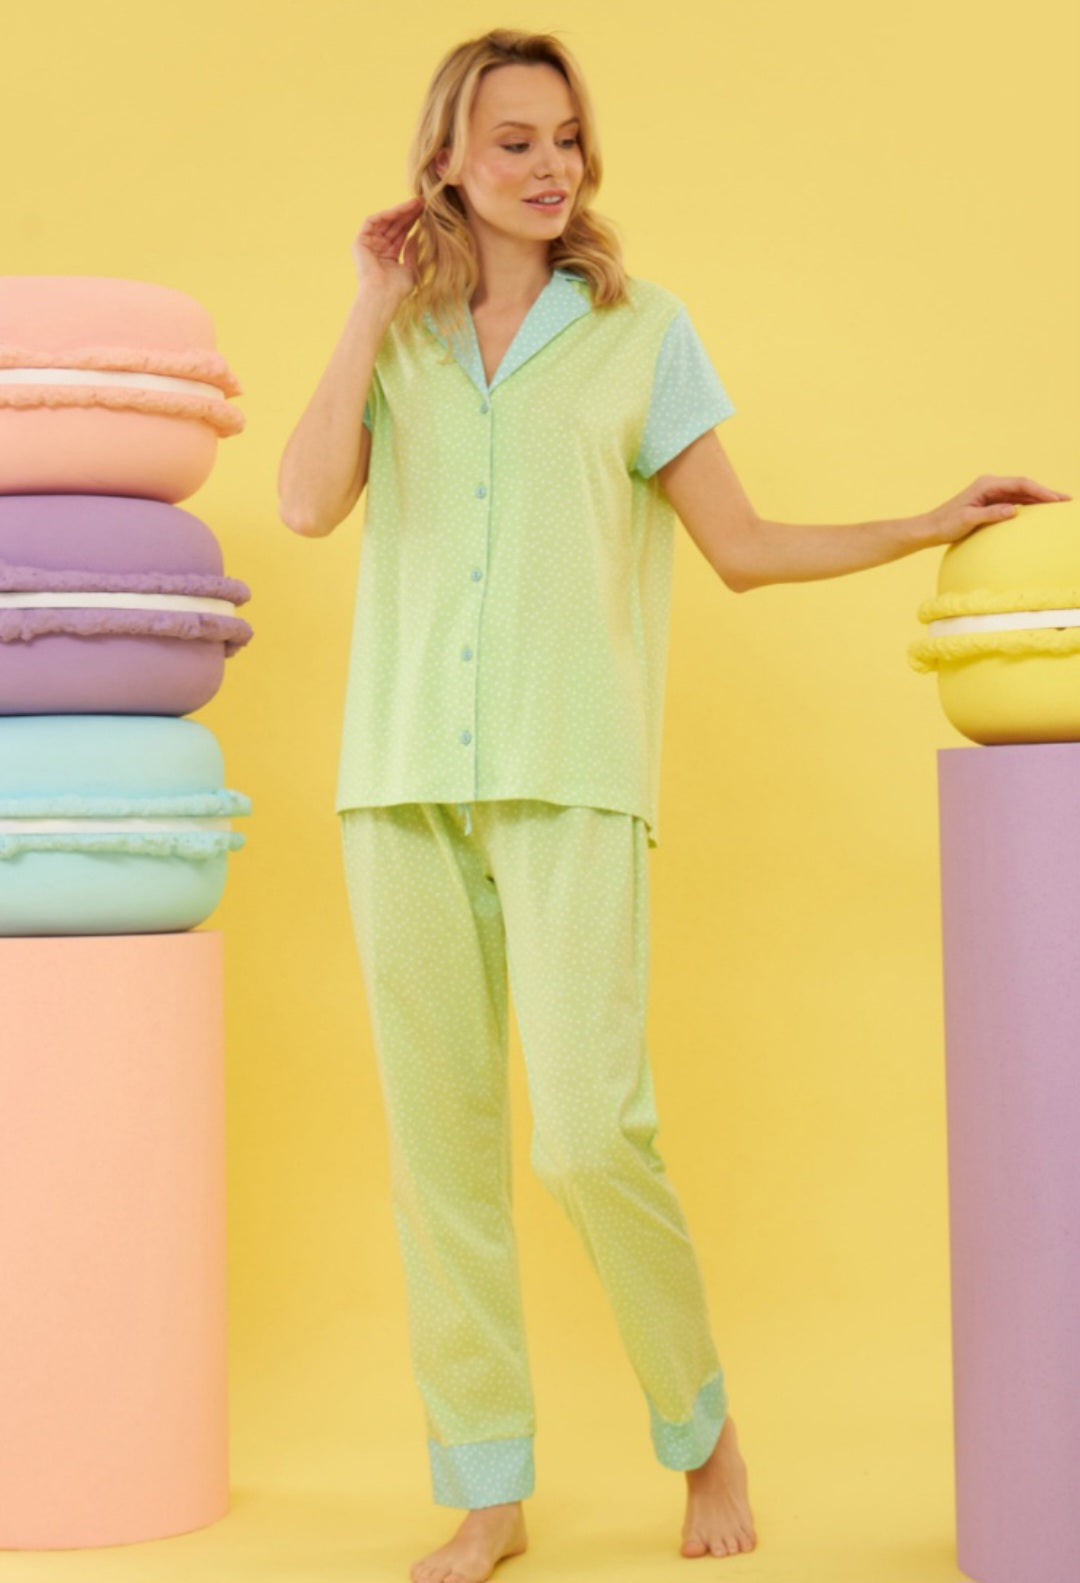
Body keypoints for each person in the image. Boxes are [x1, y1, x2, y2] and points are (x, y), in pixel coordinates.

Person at [277, 27, 1069, 1583]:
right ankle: (488, 1491)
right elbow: (308, 501)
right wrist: (372, 300)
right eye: (513, 141)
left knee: (585, 1134)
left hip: (573, 779)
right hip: (400, 783)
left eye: (566, 138)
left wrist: (927, 523)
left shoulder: (643, 335)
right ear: (446, 159)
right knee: (440, 1155)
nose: (551, 165)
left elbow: (743, 545)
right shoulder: (405, 337)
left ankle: (700, 1429)